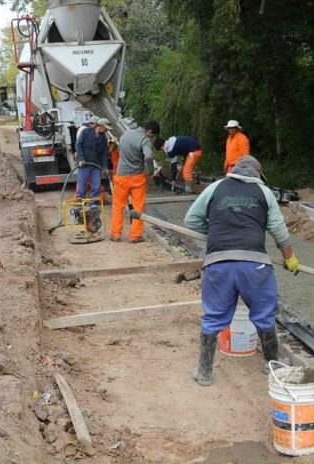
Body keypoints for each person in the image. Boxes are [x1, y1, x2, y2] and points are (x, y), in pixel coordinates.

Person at [184, 155, 300, 386]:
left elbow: (191, 220)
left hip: (218, 263)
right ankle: (273, 364)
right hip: (254, 265)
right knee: (264, 314)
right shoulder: (264, 192)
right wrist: (289, 258)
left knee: (213, 317)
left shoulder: (215, 188)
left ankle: (204, 372)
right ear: (258, 173)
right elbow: (278, 229)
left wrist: (215, 232)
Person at [110, 120, 160, 243]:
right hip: (137, 177)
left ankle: (115, 234)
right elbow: (148, 156)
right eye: (152, 135)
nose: (151, 137)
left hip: (121, 176)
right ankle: (135, 236)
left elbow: (119, 150)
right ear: (149, 131)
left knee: (118, 205)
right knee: (138, 206)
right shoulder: (144, 139)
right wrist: (151, 171)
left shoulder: (125, 134)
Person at [75, 117, 110, 204]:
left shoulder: (103, 138)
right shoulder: (86, 132)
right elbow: (78, 145)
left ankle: (93, 203)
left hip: (96, 165)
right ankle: (80, 202)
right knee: (82, 184)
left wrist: (105, 167)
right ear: (101, 126)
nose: (107, 131)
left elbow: (103, 154)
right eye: (106, 129)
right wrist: (81, 159)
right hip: (84, 164)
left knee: (96, 185)